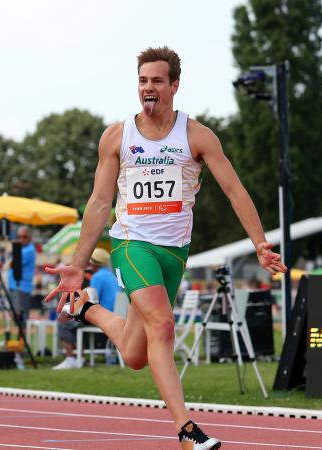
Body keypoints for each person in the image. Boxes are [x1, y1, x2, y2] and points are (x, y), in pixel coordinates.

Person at [44, 47, 286, 450]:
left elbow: (234, 189)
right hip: (131, 243)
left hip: (173, 251)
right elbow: (100, 202)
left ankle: (86, 309)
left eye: (157, 80)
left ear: (174, 85)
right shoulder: (118, 137)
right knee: (163, 326)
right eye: (142, 81)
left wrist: (260, 243)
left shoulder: (197, 136)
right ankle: (186, 430)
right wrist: (77, 264)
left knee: (137, 354)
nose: (148, 88)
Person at [7, 226, 36, 322]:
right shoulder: (22, 249)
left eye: (24, 237)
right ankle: (20, 336)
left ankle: (22, 336)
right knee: (16, 317)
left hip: (21, 288)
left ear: (30, 238)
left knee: (20, 317)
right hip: (16, 287)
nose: (21, 239)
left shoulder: (29, 250)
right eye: (19, 236)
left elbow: (11, 264)